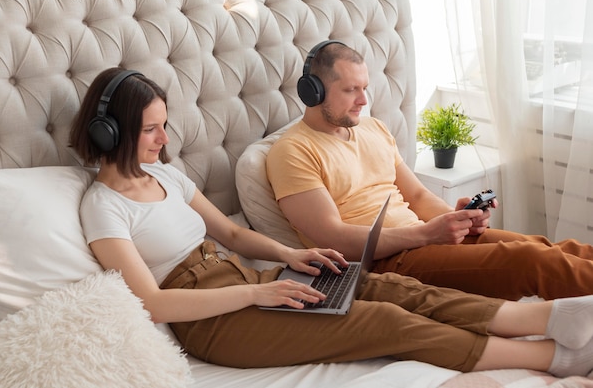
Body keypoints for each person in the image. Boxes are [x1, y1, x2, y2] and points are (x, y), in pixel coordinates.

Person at [69, 66, 593, 377]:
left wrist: (288, 258)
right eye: (150, 131)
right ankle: (551, 357)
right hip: (208, 321)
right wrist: (257, 295)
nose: (164, 140)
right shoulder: (104, 206)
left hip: (246, 279)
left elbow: (228, 233)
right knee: (383, 323)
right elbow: (155, 303)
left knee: (385, 289)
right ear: (109, 132)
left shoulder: (169, 176)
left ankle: (551, 320)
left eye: (165, 126)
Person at [266, 40, 593, 302]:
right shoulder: (293, 151)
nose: (364, 100)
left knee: (547, 248)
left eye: (365, 88)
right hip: (385, 264)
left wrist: (456, 218)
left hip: (424, 240)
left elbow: (419, 196)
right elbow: (333, 238)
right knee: (530, 262)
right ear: (314, 91)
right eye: (351, 90)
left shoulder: (374, 129)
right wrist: (426, 234)